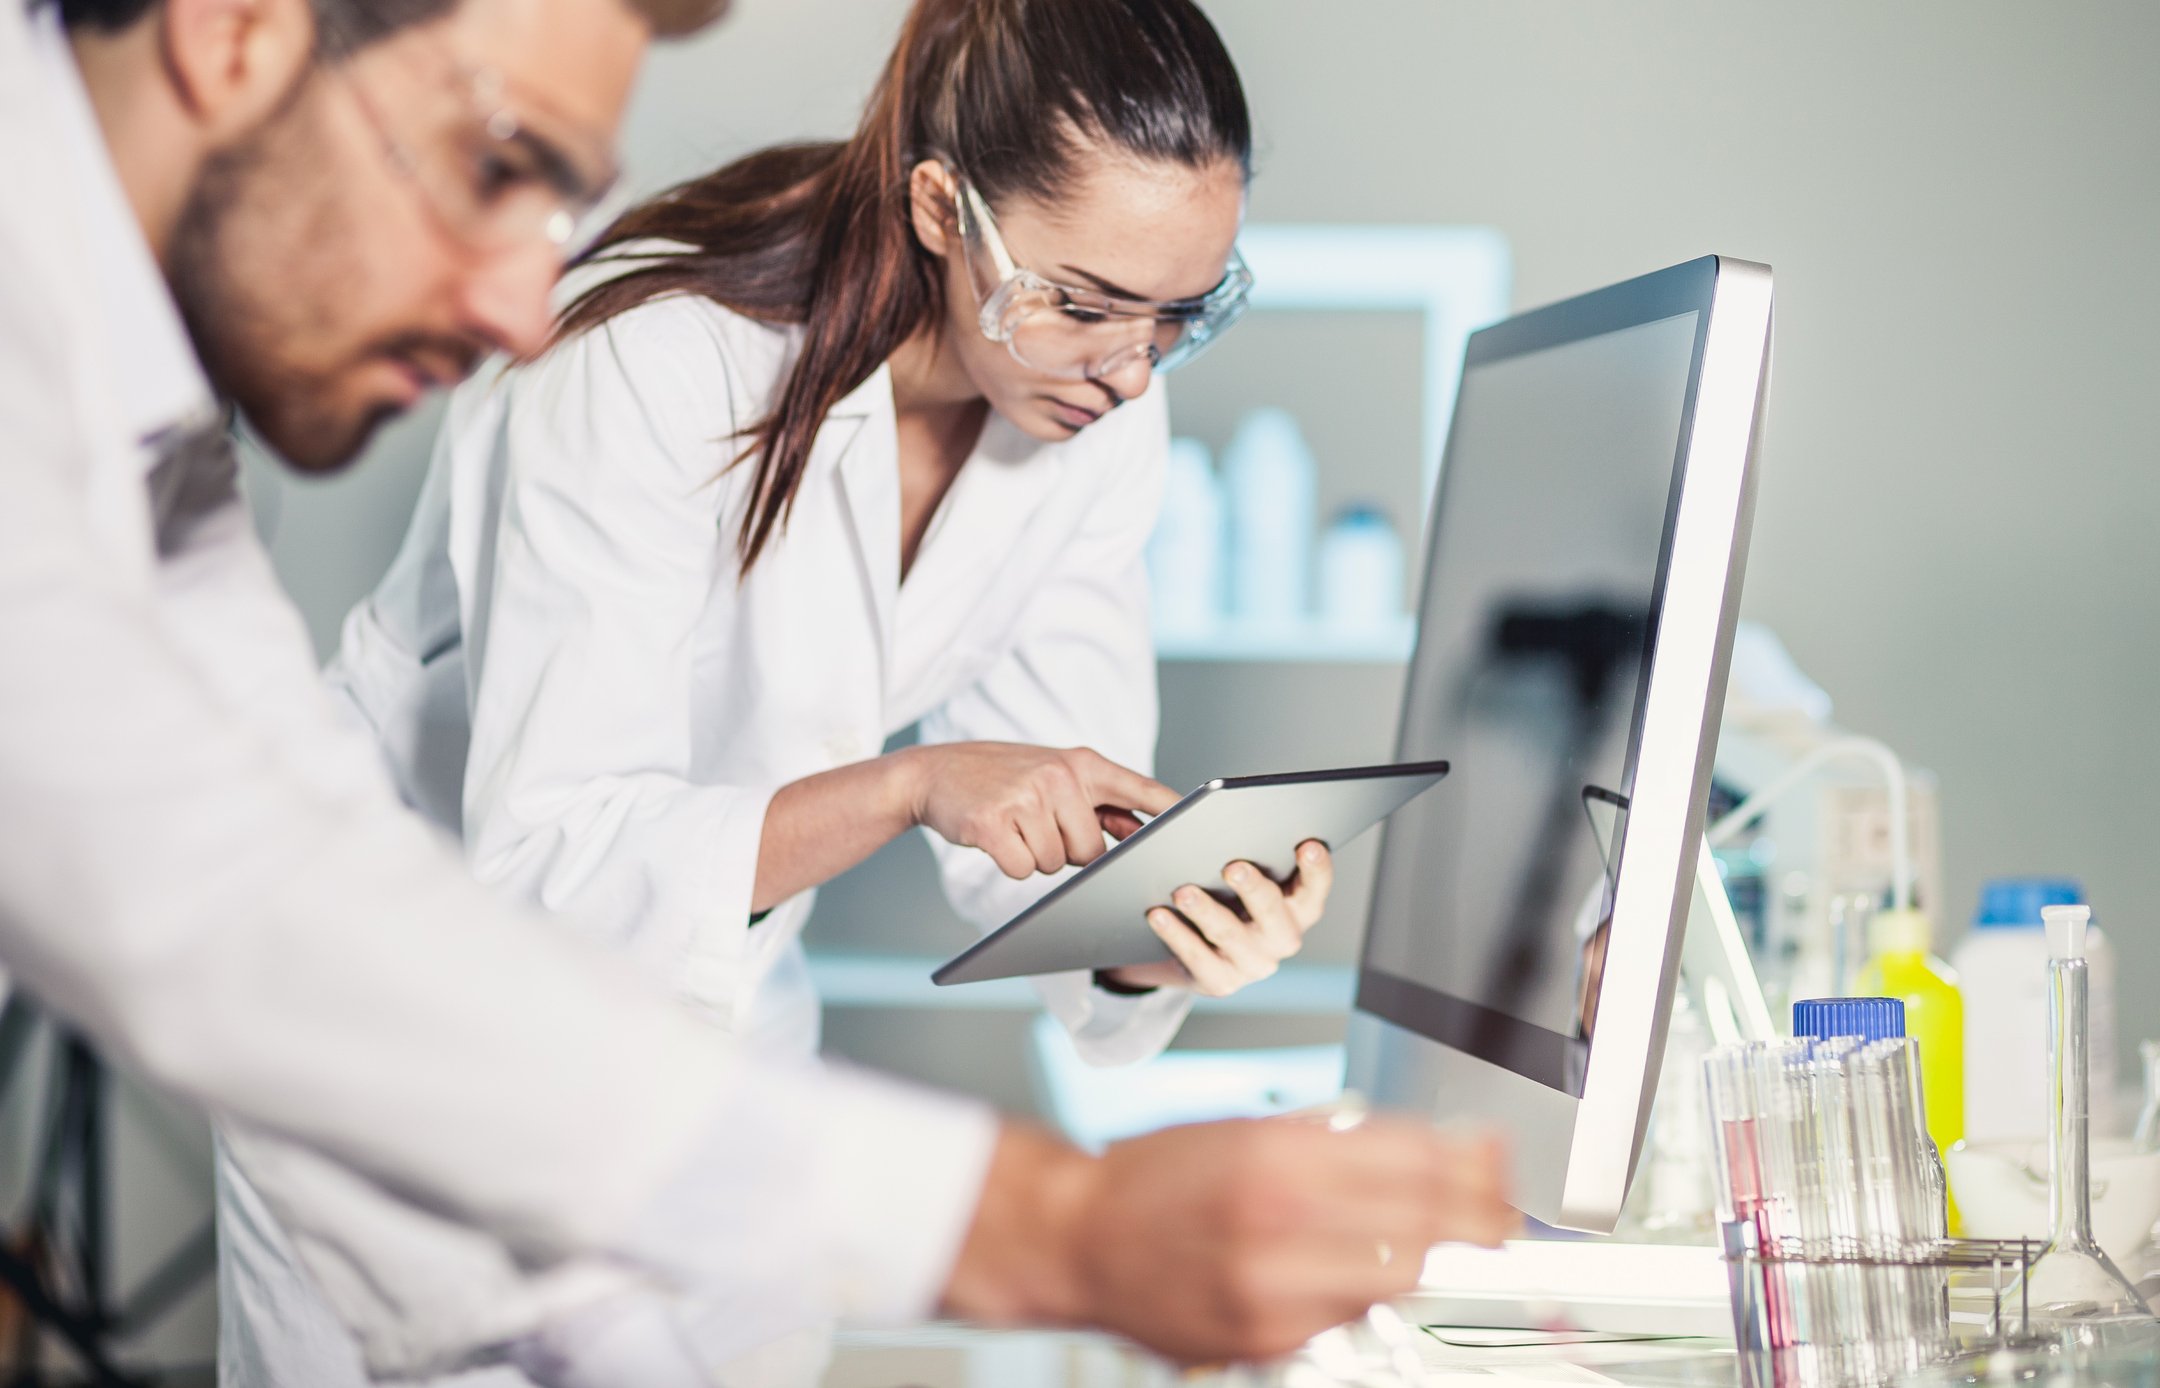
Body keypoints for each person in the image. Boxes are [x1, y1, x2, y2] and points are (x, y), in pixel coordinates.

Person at [0, 0, 1516, 1380]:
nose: (528, 312)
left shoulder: (136, 429)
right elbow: (368, 916)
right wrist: (1058, 1224)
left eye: (1179, 316)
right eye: (489, 164)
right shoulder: (644, 361)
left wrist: (1146, 938)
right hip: (460, 957)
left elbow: (259, 887)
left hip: (665, 1022)